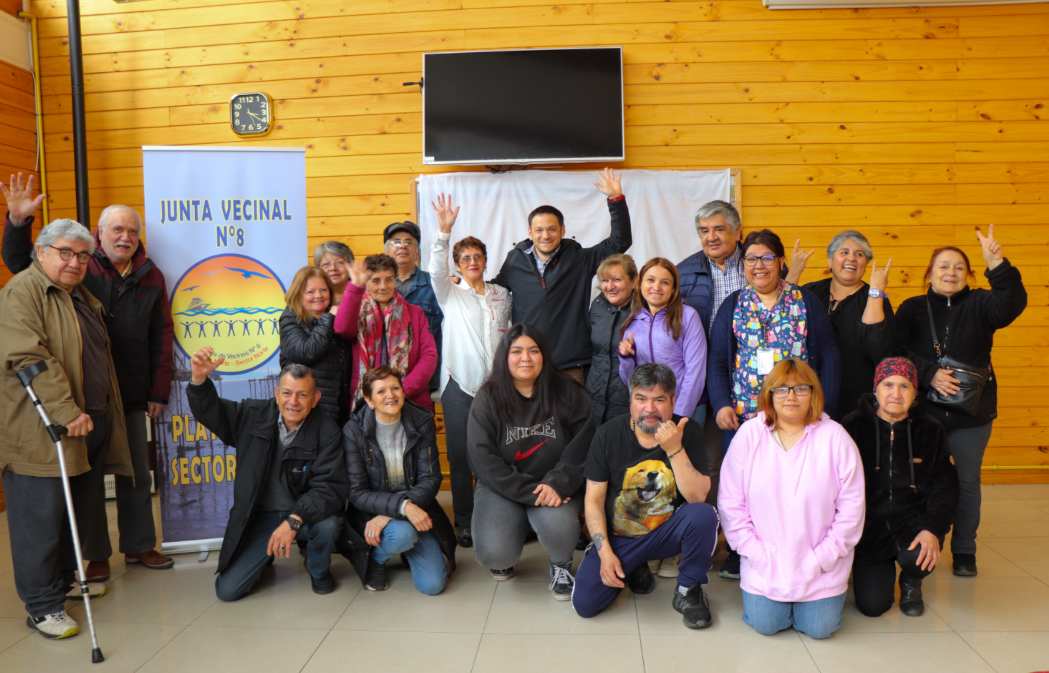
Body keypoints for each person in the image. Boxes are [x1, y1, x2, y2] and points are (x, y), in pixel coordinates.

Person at [1, 178, 176, 578]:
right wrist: (17, 222)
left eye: (133, 231)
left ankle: (140, 546)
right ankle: (97, 555)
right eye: (117, 229)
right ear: (100, 234)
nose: (126, 237)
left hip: (129, 393)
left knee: (135, 473)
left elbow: (161, 336)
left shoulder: (152, 276)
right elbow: (20, 262)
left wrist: (158, 391)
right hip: (77, 395)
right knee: (89, 482)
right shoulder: (79, 266)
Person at [0, 218, 133, 639]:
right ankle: (42, 607)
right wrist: (65, 410)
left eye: (81, 255)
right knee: (38, 520)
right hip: (44, 429)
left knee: (68, 515)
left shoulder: (78, 296)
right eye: (65, 253)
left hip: (87, 425)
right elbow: (28, 357)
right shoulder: (23, 292)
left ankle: (59, 588)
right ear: (41, 253)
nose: (75, 262)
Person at [707, 228, 840, 579]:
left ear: (780, 262)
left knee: (791, 487)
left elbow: (828, 355)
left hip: (797, 418)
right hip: (743, 419)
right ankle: (740, 550)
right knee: (744, 487)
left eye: (766, 257)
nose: (759, 265)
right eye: (751, 258)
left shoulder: (804, 301)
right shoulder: (732, 305)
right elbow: (718, 359)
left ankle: (796, 548)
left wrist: (823, 410)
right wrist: (721, 403)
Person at [894, 226, 1027, 576]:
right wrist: (928, 374)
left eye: (958, 267)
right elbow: (896, 351)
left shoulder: (983, 303)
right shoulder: (911, 308)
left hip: (973, 415)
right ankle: (922, 545)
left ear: (968, 274)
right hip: (922, 413)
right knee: (920, 481)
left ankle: (965, 550)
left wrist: (996, 264)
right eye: (943, 266)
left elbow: (1013, 303)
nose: (950, 272)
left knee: (966, 482)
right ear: (929, 274)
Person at [718, 359, 864, 639]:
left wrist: (821, 559)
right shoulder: (749, 435)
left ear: (814, 394)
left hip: (821, 562)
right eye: (782, 389)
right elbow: (730, 504)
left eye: (801, 388)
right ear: (769, 395)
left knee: (819, 629)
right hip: (765, 560)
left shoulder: (836, 438)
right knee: (766, 624)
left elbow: (852, 510)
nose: (791, 397)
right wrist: (758, 555)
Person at [187, 349, 347, 600]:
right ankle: (265, 554)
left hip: (304, 515)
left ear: (315, 399)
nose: (293, 401)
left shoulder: (328, 432)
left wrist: (293, 521)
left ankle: (318, 570)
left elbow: (328, 489)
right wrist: (199, 381)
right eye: (286, 393)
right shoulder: (251, 416)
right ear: (276, 394)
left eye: (302, 394)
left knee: (329, 524)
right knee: (227, 591)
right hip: (261, 517)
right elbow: (211, 413)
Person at [573, 364, 718, 629]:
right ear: (631, 401)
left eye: (659, 400)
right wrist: (605, 554)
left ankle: (688, 591)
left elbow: (698, 497)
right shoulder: (607, 434)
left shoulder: (689, 432)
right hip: (620, 539)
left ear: (673, 401)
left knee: (703, 515)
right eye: (641, 399)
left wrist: (674, 449)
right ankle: (633, 566)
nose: (649, 409)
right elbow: (593, 500)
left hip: (666, 534)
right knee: (586, 604)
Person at [467, 324, 597, 600]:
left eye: (533, 351)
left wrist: (558, 483)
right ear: (504, 357)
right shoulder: (487, 397)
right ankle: (507, 545)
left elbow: (584, 445)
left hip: (556, 486)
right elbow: (483, 458)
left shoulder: (568, 391)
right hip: (505, 485)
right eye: (516, 351)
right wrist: (531, 493)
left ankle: (560, 564)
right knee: (494, 555)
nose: (525, 358)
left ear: (544, 355)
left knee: (559, 528)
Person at [491, 168, 632, 384]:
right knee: (532, 419)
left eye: (551, 229)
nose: (545, 235)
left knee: (572, 419)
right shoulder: (515, 261)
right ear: (530, 232)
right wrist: (461, 284)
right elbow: (493, 290)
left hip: (571, 367)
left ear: (562, 230)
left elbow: (620, 241)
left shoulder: (579, 259)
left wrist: (615, 200)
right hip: (529, 365)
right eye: (539, 230)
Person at [842, 358, 959, 617]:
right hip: (869, 529)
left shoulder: (931, 429)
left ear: (915, 392)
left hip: (914, 525)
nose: (895, 394)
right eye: (888, 385)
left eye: (904, 386)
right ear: (876, 389)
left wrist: (932, 528)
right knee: (873, 606)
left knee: (918, 556)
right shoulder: (851, 426)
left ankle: (911, 580)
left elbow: (946, 487)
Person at [428, 194, 512, 548]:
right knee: (460, 457)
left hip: (497, 389)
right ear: (457, 264)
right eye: (465, 258)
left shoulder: (502, 294)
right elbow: (434, 269)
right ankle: (464, 520)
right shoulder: (449, 292)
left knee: (499, 454)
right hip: (458, 386)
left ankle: (503, 519)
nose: (472, 262)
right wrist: (444, 232)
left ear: (485, 261)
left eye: (478, 257)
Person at [343, 366, 456, 594]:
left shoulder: (421, 421)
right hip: (372, 510)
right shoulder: (353, 430)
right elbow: (357, 493)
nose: (391, 395)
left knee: (433, 586)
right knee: (403, 534)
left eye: (395, 388)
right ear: (369, 399)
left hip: (416, 505)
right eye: (381, 391)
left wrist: (398, 509)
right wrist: (402, 507)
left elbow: (430, 479)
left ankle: (407, 548)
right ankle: (377, 560)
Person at [789, 230, 896, 419]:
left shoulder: (874, 297)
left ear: (866, 264)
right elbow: (781, 320)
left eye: (859, 254)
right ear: (830, 261)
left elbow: (880, 351)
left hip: (858, 405)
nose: (852, 258)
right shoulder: (811, 292)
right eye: (844, 252)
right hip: (808, 397)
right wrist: (794, 271)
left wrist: (876, 292)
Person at [334, 253, 438, 411]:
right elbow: (342, 329)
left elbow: (429, 356)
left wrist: (401, 390)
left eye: (389, 279)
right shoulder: (357, 311)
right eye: (376, 280)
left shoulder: (415, 313)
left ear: (395, 280)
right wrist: (355, 287)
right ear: (367, 283)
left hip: (410, 400)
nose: (383, 286)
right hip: (367, 401)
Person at [618, 258, 707, 420]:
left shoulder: (688, 316)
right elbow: (628, 379)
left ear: (673, 289)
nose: (656, 287)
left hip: (685, 408)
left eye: (665, 282)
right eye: (650, 280)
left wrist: (679, 414)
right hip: (649, 410)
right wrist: (626, 358)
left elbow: (695, 371)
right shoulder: (633, 323)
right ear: (640, 284)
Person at [279, 266, 352, 425]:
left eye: (324, 290)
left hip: (337, 412)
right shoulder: (290, 320)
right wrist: (329, 317)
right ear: (298, 295)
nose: (318, 296)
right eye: (310, 292)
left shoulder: (335, 321)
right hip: (307, 414)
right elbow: (307, 353)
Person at [384, 220, 443, 392]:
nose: (402, 246)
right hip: (383, 380)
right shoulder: (376, 288)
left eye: (408, 242)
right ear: (386, 252)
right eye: (396, 242)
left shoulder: (436, 284)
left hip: (425, 380)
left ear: (417, 253)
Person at [587, 254, 637, 424]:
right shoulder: (598, 305)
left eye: (616, 279)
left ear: (633, 282)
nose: (610, 286)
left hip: (626, 401)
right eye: (605, 280)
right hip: (594, 399)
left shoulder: (644, 310)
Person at [313, 240, 355, 309]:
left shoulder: (362, 295)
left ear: (350, 265)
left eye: (339, 263)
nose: (333, 268)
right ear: (318, 269)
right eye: (326, 264)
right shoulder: (310, 297)